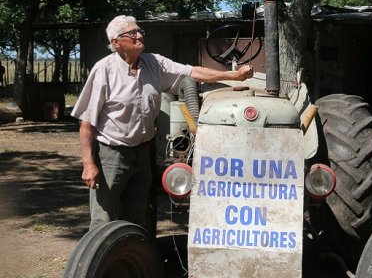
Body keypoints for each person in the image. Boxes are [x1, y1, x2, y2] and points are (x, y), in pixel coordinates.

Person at [71, 15, 253, 231]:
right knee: (105, 216)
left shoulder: (153, 62)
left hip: (143, 153)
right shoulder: (104, 70)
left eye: (140, 31)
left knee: (139, 214)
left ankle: (137, 261)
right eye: (132, 33)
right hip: (112, 154)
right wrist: (88, 164)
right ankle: (101, 262)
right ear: (116, 42)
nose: (139, 35)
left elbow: (192, 72)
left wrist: (233, 76)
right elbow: (86, 123)